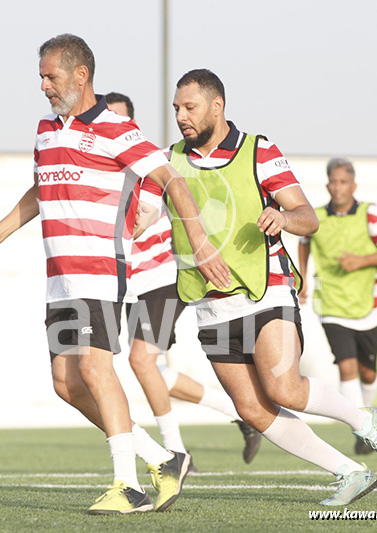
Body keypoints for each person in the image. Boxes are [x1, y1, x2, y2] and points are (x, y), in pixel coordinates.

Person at [0, 35, 231, 515]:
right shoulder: (45, 129)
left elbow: (170, 178)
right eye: (42, 77)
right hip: (59, 276)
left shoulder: (117, 129)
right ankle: (162, 459)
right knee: (65, 383)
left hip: (99, 270)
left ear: (81, 75)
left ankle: (127, 485)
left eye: (52, 76)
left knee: (94, 366)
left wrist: (200, 241)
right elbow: (40, 189)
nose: (44, 86)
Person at [162, 68, 377, 506]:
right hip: (210, 307)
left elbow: (307, 217)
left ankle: (364, 419)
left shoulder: (259, 150)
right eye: (176, 107)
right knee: (252, 410)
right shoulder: (169, 161)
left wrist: (283, 218)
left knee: (284, 389)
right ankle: (350, 471)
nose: (181, 115)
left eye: (189, 107)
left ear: (216, 107)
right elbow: (142, 210)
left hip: (266, 293)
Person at [106, 91, 262, 466]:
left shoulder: (153, 163)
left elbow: (159, 206)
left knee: (141, 361)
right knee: (154, 369)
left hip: (162, 275)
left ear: (131, 126)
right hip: (130, 283)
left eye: (118, 120)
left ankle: (175, 450)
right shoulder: (97, 170)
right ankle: (240, 413)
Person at [298, 158, 377, 455]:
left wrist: (361, 261)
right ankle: (362, 429)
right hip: (330, 304)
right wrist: (303, 277)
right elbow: (304, 240)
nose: (337, 187)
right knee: (347, 367)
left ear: (353, 185)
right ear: (328, 184)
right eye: (333, 181)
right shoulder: (316, 216)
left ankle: (368, 415)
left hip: (368, 305)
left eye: (343, 182)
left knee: (368, 373)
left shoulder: (371, 213)